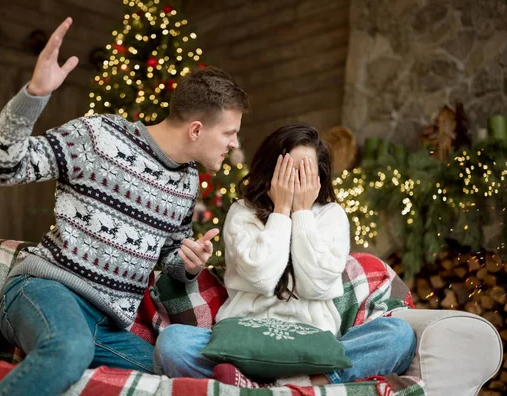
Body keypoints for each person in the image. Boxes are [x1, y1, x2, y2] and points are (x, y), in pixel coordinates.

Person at [0, 17, 249, 396]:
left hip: (105, 327)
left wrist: (188, 264)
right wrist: (34, 95)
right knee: (69, 349)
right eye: (229, 134)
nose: (233, 145)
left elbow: (170, 253)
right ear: (197, 129)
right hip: (45, 290)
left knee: (170, 378)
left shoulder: (186, 181)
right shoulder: (99, 137)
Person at [153, 123, 416, 387]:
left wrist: (301, 213)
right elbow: (261, 278)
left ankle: (298, 382)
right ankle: (295, 386)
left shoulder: (331, 215)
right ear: (271, 169)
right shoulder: (242, 212)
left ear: (319, 176)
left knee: (399, 335)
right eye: (289, 170)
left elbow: (315, 285)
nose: (295, 180)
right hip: (242, 342)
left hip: (314, 346)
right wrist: (281, 210)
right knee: (173, 342)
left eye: (305, 172)